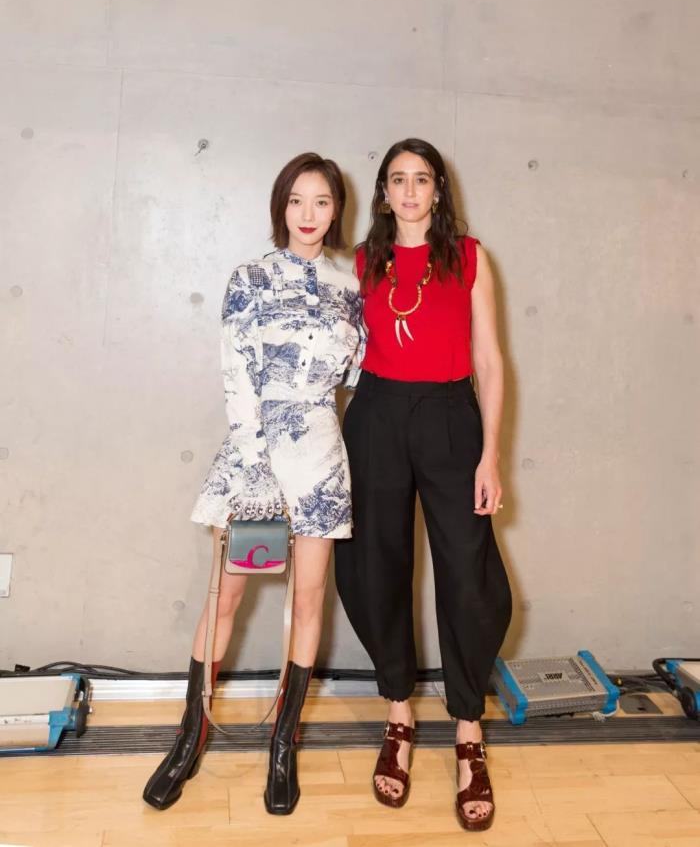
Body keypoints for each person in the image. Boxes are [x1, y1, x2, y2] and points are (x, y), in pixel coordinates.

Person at [143, 152, 363, 814]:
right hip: (255, 453)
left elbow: (357, 374)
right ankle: (189, 739)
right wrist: (255, 467)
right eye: (297, 200)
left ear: (336, 209)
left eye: (321, 201)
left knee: (309, 599)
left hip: (320, 455)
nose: (308, 214)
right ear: (281, 206)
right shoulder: (250, 277)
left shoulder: (352, 284)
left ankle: (283, 745)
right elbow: (236, 377)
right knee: (227, 598)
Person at [334, 137, 512, 832]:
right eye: (397, 180)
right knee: (375, 565)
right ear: (383, 193)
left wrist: (490, 455)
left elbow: (490, 360)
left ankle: (468, 728)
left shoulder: (469, 257)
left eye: (422, 179)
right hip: (377, 414)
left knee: (468, 574)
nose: (410, 191)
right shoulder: (361, 262)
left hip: (450, 417)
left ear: (439, 189)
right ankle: (399, 715)